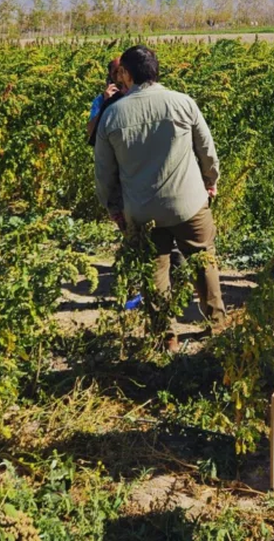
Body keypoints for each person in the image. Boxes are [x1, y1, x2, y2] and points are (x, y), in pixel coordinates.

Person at [94, 45, 226, 351]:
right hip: (189, 204)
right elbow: (207, 150)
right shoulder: (182, 103)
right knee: (204, 262)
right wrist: (210, 182)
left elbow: (104, 174)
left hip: (142, 211)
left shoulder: (112, 115)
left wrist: (114, 209)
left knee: (155, 273)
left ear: (126, 74)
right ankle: (215, 324)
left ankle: (165, 336)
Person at [87, 57, 126, 146]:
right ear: (111, 76)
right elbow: (91, 131)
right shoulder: (101, 100)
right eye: (116, 72)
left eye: (123, 71)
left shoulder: (135, 94)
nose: (120, 77)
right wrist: (106, 103)